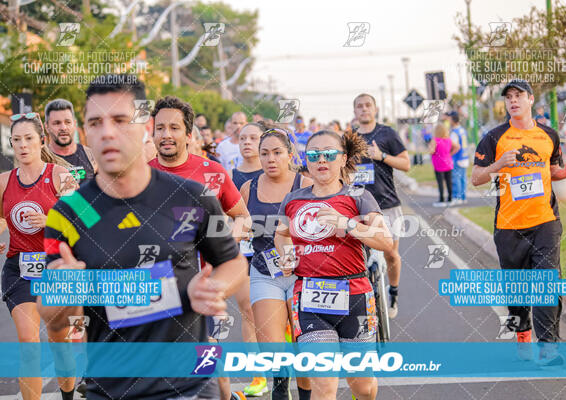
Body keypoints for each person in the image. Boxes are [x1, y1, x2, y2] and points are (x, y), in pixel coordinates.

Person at [39, 74, 247, 400]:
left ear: (144, 126)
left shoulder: (191, 197)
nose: (108, 132)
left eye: (120, 120)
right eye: (96, 122)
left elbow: (234, 263)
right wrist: (62, 295)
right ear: (86, 133)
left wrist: (214, 288)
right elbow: (53, 322)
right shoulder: (69, 213)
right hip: (110, 388)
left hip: (188, 387)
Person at [147, 96, 266, 398]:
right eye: (160, 128)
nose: (166, 135)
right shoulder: (137, 174)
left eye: (174, 128)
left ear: (189, 135)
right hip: (148, 290)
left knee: (209, 371)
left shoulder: (211, 172)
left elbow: (243, 219)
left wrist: (221, 244)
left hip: (199, 286)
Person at [274, 130, 392, 400]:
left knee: (361, 385)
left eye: (329, 154)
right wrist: (286, 255)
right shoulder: (293, 200)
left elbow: (385, 241)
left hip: (355, 296)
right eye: (314, 155)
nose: (321, 160)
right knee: (324, 385)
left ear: (344, 159)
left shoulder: (358, 197)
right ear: (306, 160)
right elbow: (281, 235)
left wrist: (347, 224)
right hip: (309, 298)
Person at [471, 79, 566, 362]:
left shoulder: (548, 135)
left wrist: (563, 174)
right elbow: (476, 178)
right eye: (509, 98)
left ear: (531, 100)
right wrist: (498, 165)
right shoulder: (494, 137)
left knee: (547, 281)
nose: (513, 101)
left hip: (545, 221)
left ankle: (549, 347)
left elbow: (550, 168)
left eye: (519, 96)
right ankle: (522, 335)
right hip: (509, 226)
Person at [1, 112, 78, 400]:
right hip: (19, 269)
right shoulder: (3, 181)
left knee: (60, 342)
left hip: (55, 267)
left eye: (29, 139)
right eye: (16, 140)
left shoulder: (61, 177)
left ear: (42, 141)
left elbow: (89, 219)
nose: (22, 145)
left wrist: (51, 220)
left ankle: (68, 396)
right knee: (29, 343)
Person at [239, 128, 312, 400]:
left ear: (289, 155)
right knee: (272, 344)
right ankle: (281, 392)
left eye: (277, 153)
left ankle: (305, 393)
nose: (271, 159)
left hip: (302, 274)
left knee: (301, 342)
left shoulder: (305, 185)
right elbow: (235, 222)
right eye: (265, 153)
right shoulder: (249, 188)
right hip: (264, 271)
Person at [353, 93, 410, 319]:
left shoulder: (387, 133)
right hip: (360, 207)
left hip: (387, 204)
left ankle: (393, 291)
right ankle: (366, 302)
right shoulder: (351, 138)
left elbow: (406, 164)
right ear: (355, 111)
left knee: (391, 254)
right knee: (361, 259)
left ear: (375, 109)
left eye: (368, 105)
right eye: (359, 106)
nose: (364, 109)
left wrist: (381, 155)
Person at [44, 99, 97, 185]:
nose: (63, 127)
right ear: (47, 127)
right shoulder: (41, 160)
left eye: (67, 122)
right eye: (57, 123)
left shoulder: (91, 156)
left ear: (75, 124)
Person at [430, 123, 459, 207]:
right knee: (449, 181)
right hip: (448, 163)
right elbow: (457, 147)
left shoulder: (435, 140)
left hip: (438, 164)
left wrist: (430, 148)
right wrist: (450, 153)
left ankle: (441, 200)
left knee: (440, 182)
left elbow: (432, 151)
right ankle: (450, 199)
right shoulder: (448, 140)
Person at [446, 111, 469, 205]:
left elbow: (455, 146)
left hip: (457, 158)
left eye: (449, 119)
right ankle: (463, 197)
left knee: (456, 178)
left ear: (452, 120)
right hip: (465, 157)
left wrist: (449, 154)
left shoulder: (454, 133)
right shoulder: (463, 130)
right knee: (463, 178)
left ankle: (457, 197)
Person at [231, 123, 264, 190]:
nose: (247, 142)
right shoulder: (229, 176)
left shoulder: (272, 173)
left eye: (253, 138)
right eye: (242, 138)